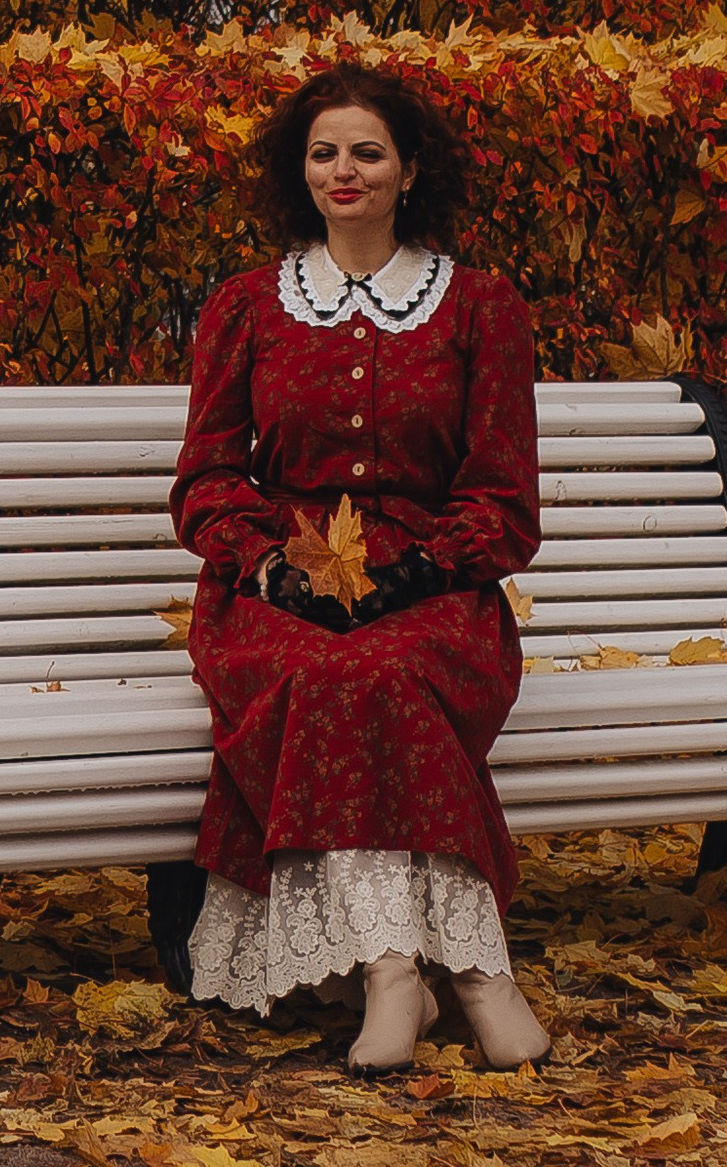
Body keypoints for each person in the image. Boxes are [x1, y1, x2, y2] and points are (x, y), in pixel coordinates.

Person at [168, 60, 552, 1075]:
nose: (344, 171)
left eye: (367, 153)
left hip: (437, 587)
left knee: (386, 667)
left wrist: (423, 569)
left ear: (408, 170)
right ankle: (410, 973)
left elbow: (504, 496)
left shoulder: (480, 308)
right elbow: (206, 480)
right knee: (329, 670)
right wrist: (265, 567)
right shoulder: (248, 306)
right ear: (301, 173)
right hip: (274, 587)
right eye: (324, 153)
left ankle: (463, 973)